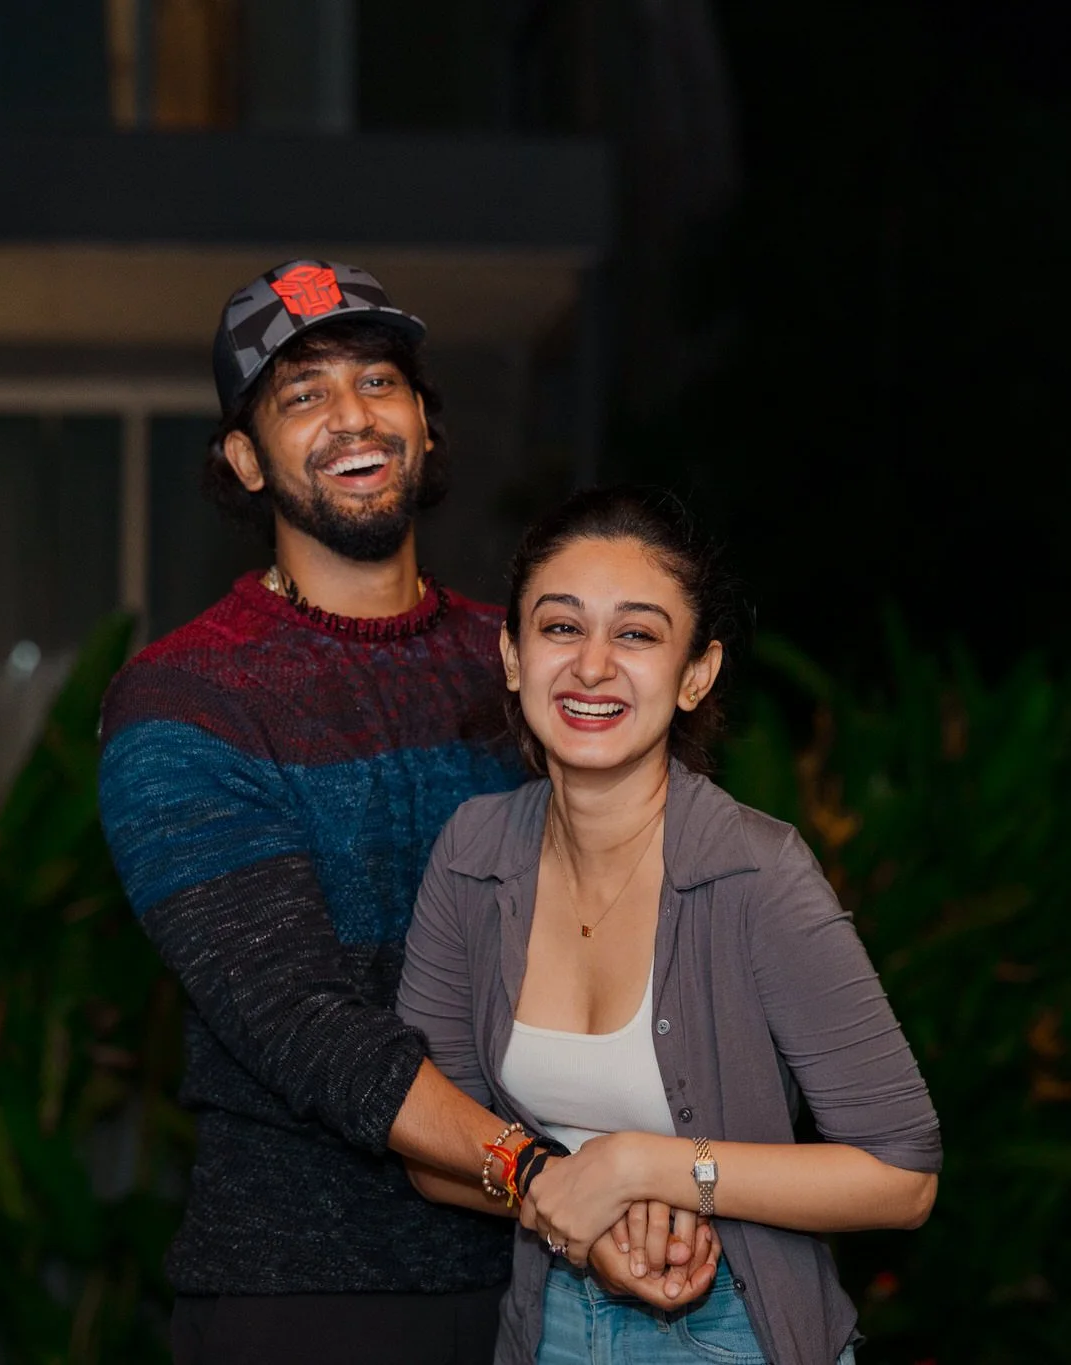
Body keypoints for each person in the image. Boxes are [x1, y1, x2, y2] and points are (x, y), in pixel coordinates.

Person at [96, 263, 716, 1365]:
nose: (352, 416)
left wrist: (660, 1182)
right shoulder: (184, 701)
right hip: (310, 1295)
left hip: (565, 1288)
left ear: (425, 426)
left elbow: (657, 925)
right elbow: (304, 1025)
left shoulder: (532, 670)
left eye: (378, 380)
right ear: (244, 461)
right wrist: (545, 1181)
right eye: (300, 395)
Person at [397, 486, 943, 1365]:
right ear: (510, 654)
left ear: (697, 673)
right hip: (546, 1329)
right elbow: (437, 1149)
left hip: (740, 1330)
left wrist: (651, 1168)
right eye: (561, 627)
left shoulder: (754, 872)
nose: (592, 665)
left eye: (638, 633)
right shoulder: (472, 854)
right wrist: (575, 1204)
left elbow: (902, 1175)